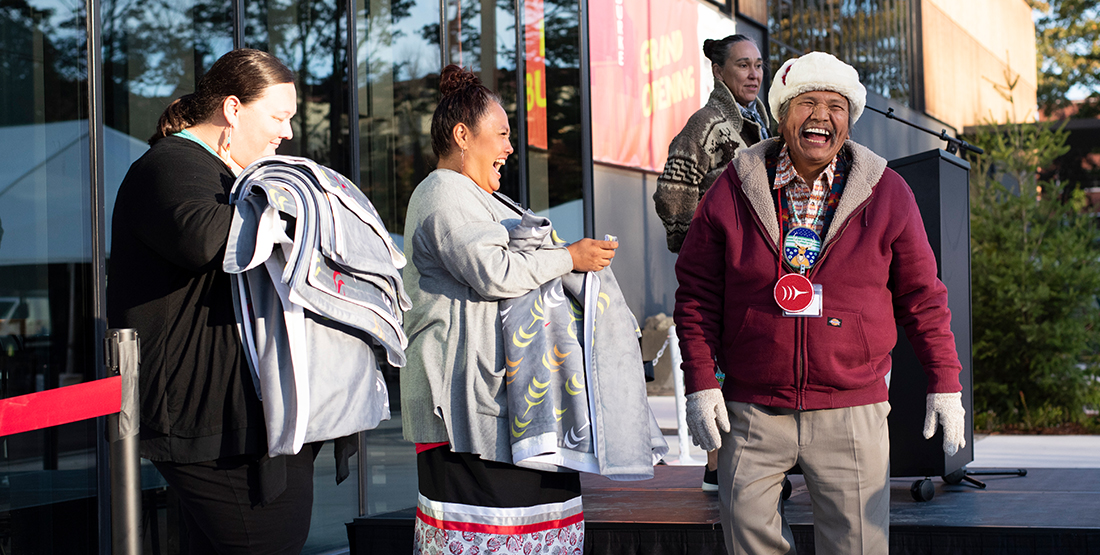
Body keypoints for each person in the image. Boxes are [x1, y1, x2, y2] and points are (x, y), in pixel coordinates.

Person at [674, 52, 967, 554]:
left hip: (853, 408)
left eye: (835, 105)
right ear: (783, 111)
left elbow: (924, 297)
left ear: (849, 120)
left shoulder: (887, 191)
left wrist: (945, 382)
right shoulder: (734, 186)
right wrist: (701, 382)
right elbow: (696, 294)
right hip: (752, 408)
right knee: (748, 545)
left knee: (857, 548)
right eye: (807, 101)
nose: (821, 115)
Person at [106, 49, 316, 554]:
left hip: (234, 423)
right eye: (278, 117)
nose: (286, 133)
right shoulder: (169, 164)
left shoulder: (222, 173)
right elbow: (203, 241)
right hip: (210, 427)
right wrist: (297, 205)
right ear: (233, 109)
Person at [401, 65, 617, 554]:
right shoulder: (442, 192)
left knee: (535, 528)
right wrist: (568, 257)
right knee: (487, 534)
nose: (509, 148)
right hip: (462, 403)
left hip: (505, 400)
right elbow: (493, 271)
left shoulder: (484, 196)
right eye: (501, 135)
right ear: (462, 135)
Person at [653, 34, 769, 491]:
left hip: (754, 269)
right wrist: (691, 244)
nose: (754, 74)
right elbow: (672, 188)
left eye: (758, 65)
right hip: (720, 267)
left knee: (747, 357)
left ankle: (745, 462)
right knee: (714, 359)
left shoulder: (759, 123)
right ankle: (717, 467)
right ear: (719, 71)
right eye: (743, 65)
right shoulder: (706, 123)